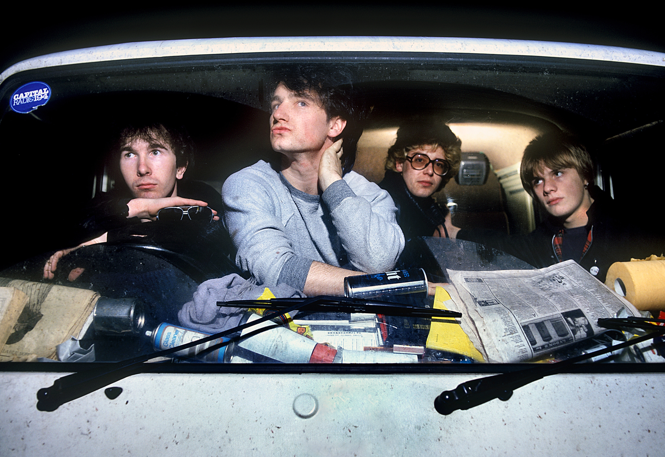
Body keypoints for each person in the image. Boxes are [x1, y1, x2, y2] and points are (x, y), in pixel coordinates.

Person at [222, 66, 404, 296]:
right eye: (276, 104)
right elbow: (276, 270)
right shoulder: (247, 185)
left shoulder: (370, 195)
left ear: (335, 125)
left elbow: (380, 262)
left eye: (301, 103)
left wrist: (333, 184)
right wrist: (383, 284)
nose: (278, 114)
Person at [449, 130, 664, 282]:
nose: (547, 188)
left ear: (585, 176)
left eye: (558, 173)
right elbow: (503, 245)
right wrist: (455, 233)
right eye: (538, 180)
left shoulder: (632, 230)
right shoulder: (544, 239)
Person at [44, 120, 223, 280]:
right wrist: (141, 207)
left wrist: (104, 241)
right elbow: (68, 226)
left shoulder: (202, 196)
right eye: (129, 154)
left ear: (180, 167)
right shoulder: (108, 202)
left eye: (155, 152)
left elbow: (202, 241)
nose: (142, 168)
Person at [378, 119, 461, 240]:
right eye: (420, 160)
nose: (430, 171)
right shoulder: (384, 204)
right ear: (400, 163)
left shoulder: (431, 210)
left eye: (439, 165)